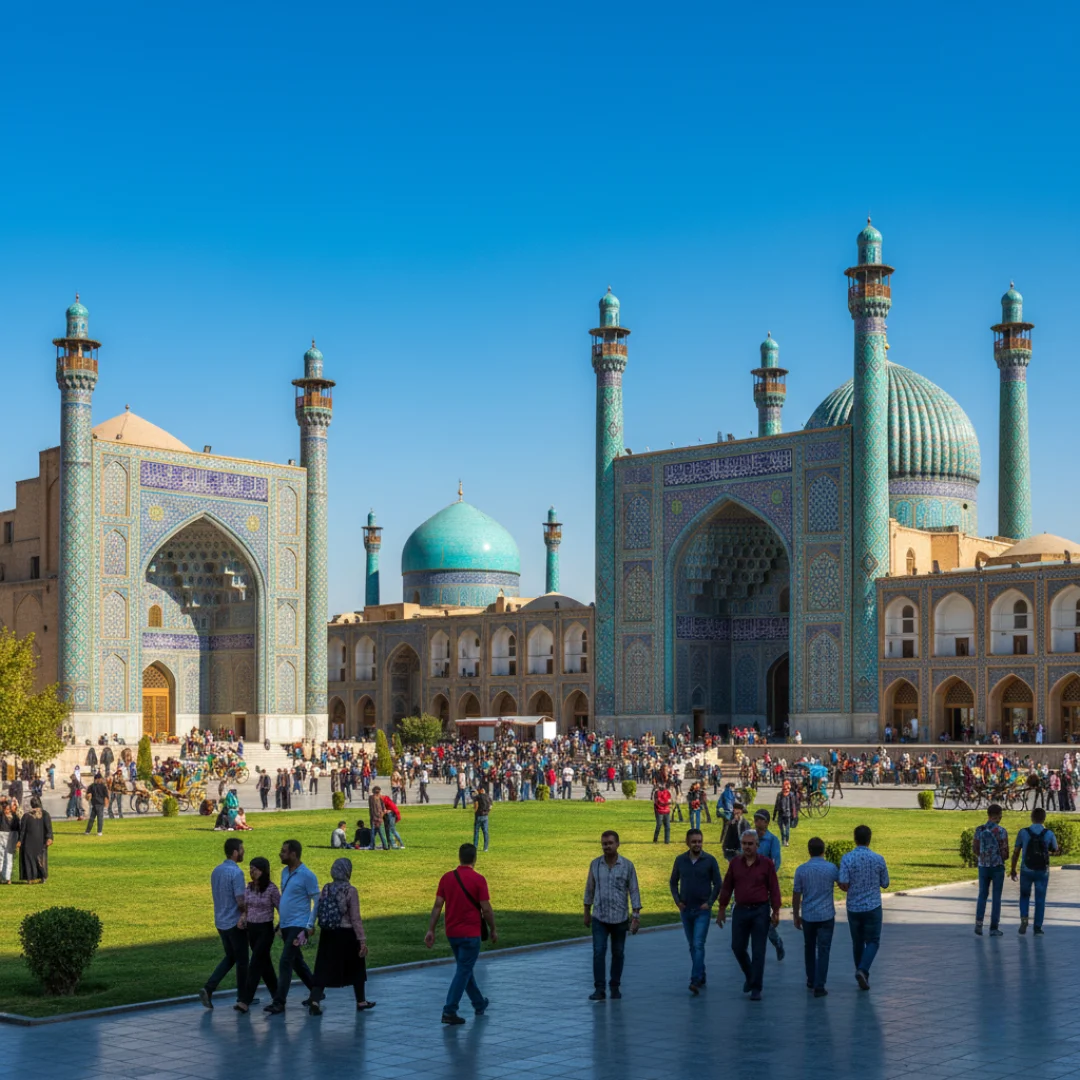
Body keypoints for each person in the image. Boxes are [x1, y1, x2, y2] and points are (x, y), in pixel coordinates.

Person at [424, 842, 497, 1025]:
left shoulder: (447, 878)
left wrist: (431, 929)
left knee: (465, 969)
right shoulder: (479, 880)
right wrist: (493, 929)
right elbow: (486, 910)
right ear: (475, 859)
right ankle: (449, 1010)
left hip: (453, 933)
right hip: (471, 934)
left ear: (459, 857)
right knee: (463, 970)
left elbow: (437, 906)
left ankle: (479, 1003)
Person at [716, 830, 781, 1001]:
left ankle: (756, 988)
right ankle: (750, 975)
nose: (746, 847)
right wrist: (721, 908)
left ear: (757, 845)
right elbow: (727, 886)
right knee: (737, 947)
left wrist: (776, 910)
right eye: (744, 843)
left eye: (750, 844)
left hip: (760, 910)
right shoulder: (735, 863)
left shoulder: (766, 864)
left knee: (758, 950)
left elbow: (774, 888)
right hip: (741, 910)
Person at [309, 857, 375, 1014]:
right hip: (346, 934)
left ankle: (315, 1000)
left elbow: (319, 908)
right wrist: (362, 940)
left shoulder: (326, 888)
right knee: (357, 968)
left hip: (328, 934)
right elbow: (355, 918)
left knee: (323, 968)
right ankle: (361, 1001)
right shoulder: (350, 890)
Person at [583, 830, 641, 1001]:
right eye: (604, 844)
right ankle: (599, 989)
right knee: (598, 952)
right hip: (599, 917)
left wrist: (636, 916)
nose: (606, 846)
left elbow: (634, 891)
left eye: (609, 843)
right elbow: (589, 889)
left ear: (617, 844)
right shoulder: (595, 864)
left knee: (618, 953)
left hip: (620, 918)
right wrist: (586, 912)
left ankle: (614, 986)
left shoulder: (627, 866)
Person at [264, 839, 319, 1014]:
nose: (280, 854)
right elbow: (287, 898)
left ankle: (279, 1002)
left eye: (284, 851)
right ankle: (317, 993)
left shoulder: (307, 875)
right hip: (287, 925)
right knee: (297, 963)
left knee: (285, 961)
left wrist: (309, 925)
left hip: (299, 926)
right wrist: (281, 922)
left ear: (293, 854)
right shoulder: (284, 872)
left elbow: (317, 901)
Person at [669, 829, 722, 994]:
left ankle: (695, 980)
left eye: (699, 841)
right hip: (686, 910)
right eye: (694, 841)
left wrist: (710, 902)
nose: (697, 844)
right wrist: (678, 901)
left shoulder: (710, 860)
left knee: (698, 944)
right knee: (692, 945)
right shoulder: (680, 860)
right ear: (687, 842)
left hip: (702, 910)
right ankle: (701, 973)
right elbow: (673, 882)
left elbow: (718, 883)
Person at [838, 824, 890, 990]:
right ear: (870, 839)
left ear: (855, 839)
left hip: (854, 907)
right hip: (873, 906)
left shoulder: (847, 858)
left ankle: (861, 973)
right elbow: (885, 883)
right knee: (873, 941)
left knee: (857, 942)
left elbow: (843, 883)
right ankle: (863, 970)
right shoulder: (878, 859)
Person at [200, 837, 249, 1009]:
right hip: (235, 923)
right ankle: (243, 997)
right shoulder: (236, 873)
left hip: (220, 922)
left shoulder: (216, 871)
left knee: (231, 957)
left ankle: (209, 988)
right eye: (242, 849)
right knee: (242, 960)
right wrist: (248, 913)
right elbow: (240, 901)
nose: (243, 852)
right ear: (235, 852)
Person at [791, 837, 839, 997]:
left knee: (809, 947)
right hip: (826, 915)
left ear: (809, 851)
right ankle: (820, 985)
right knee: (824, 950)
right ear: (823, 850)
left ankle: (811, 978)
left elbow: (796, 893)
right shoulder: (831, 868)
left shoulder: (801, 870)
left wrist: (796, 914)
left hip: (809, 915)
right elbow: (842, 884)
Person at [235, 856, 280, 1013]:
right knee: (265, 965)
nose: (251, 871)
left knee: (254, 963)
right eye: (250, 868)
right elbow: (247, 908)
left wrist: (281, 926)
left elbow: (281, 907)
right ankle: (278, 996)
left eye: (255, 869)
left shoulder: (272, 889)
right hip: (252, 931)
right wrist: (243, 919)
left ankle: (245, 1000)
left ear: (264, 871)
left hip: (265, 931)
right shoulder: (249, 888)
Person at [1010, 806, 1059, 936]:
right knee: (1040, 899)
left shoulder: (1023, 832)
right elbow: (1055, 849)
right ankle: (1037, 927)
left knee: (1024, 895)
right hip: (1042, 871)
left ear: (1032, 818)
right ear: (1044, 819)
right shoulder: (1049, 833)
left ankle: (1024, 919)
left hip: (1026, 869)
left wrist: (1013, 869)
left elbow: (1016, 853)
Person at [752, 810, 786, 961]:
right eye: (756, 820)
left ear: (766, 823)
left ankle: (777, 942)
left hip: (764, 885)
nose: (757, 823)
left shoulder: (772, 840)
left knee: (764, 920)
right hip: (748, 884)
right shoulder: (749, 838)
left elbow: (776, 862)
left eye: (760, 820)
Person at [973, 803, 1009, 936]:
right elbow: (1005, 853)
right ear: (998, 816)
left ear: (988, 815)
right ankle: (994, 928)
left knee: (982, 894)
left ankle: (978, 923)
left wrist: (983, 857)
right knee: (996, 897)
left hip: (983, 866)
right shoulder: (1001, 831)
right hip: (997, 867)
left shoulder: (979, 830)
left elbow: (975, 849)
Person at [16, 796, 53, 883]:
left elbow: (48, 828)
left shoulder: (44, 815)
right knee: (33, 860)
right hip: (32, 842)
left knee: (37, 860)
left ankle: (39, 877)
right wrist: (20, 841)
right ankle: (32, 878)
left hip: (38, 842)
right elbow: (23, 830)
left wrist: (49, 838)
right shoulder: (28, 815)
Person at [772, 779, 800, 847]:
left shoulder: (791, 795)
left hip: (787, 815)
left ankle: (786, 841)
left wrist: (794, 814)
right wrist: (774, 815)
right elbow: (776, 805)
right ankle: (783, 840)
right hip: (781, 814)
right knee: (782, 830)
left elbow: (794, 805)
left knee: (787, 830)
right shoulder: (780, 795)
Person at [0, 797, 20, 883]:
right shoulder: (3, 816)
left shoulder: (15, 816)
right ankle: (3, 877)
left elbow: (19, 828)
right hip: (4, 835)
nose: (7, 811)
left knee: (8, 857)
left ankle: (7, 878)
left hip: (11, 835)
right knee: (2, 857)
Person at [368, 785, 389, 850]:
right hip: (379, 819)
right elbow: (384, 809)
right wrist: (382, 815)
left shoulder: (371, 798)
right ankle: (385, 846)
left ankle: (372, 846)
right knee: (382, 834)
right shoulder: (378, 798)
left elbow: (383, 809)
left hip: (374, 819)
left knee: (373, 834)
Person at [473, 785, 492, 852]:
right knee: (485, 832)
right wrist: (487, 813)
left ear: (480, 790)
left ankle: (475, 847)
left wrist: (475, 812)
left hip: (478, 816)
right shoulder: (488, 797)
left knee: (476, 832)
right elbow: (490, 807)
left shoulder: (477, 797)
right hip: (485, 816)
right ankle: (485, 847)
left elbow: (476, 806)